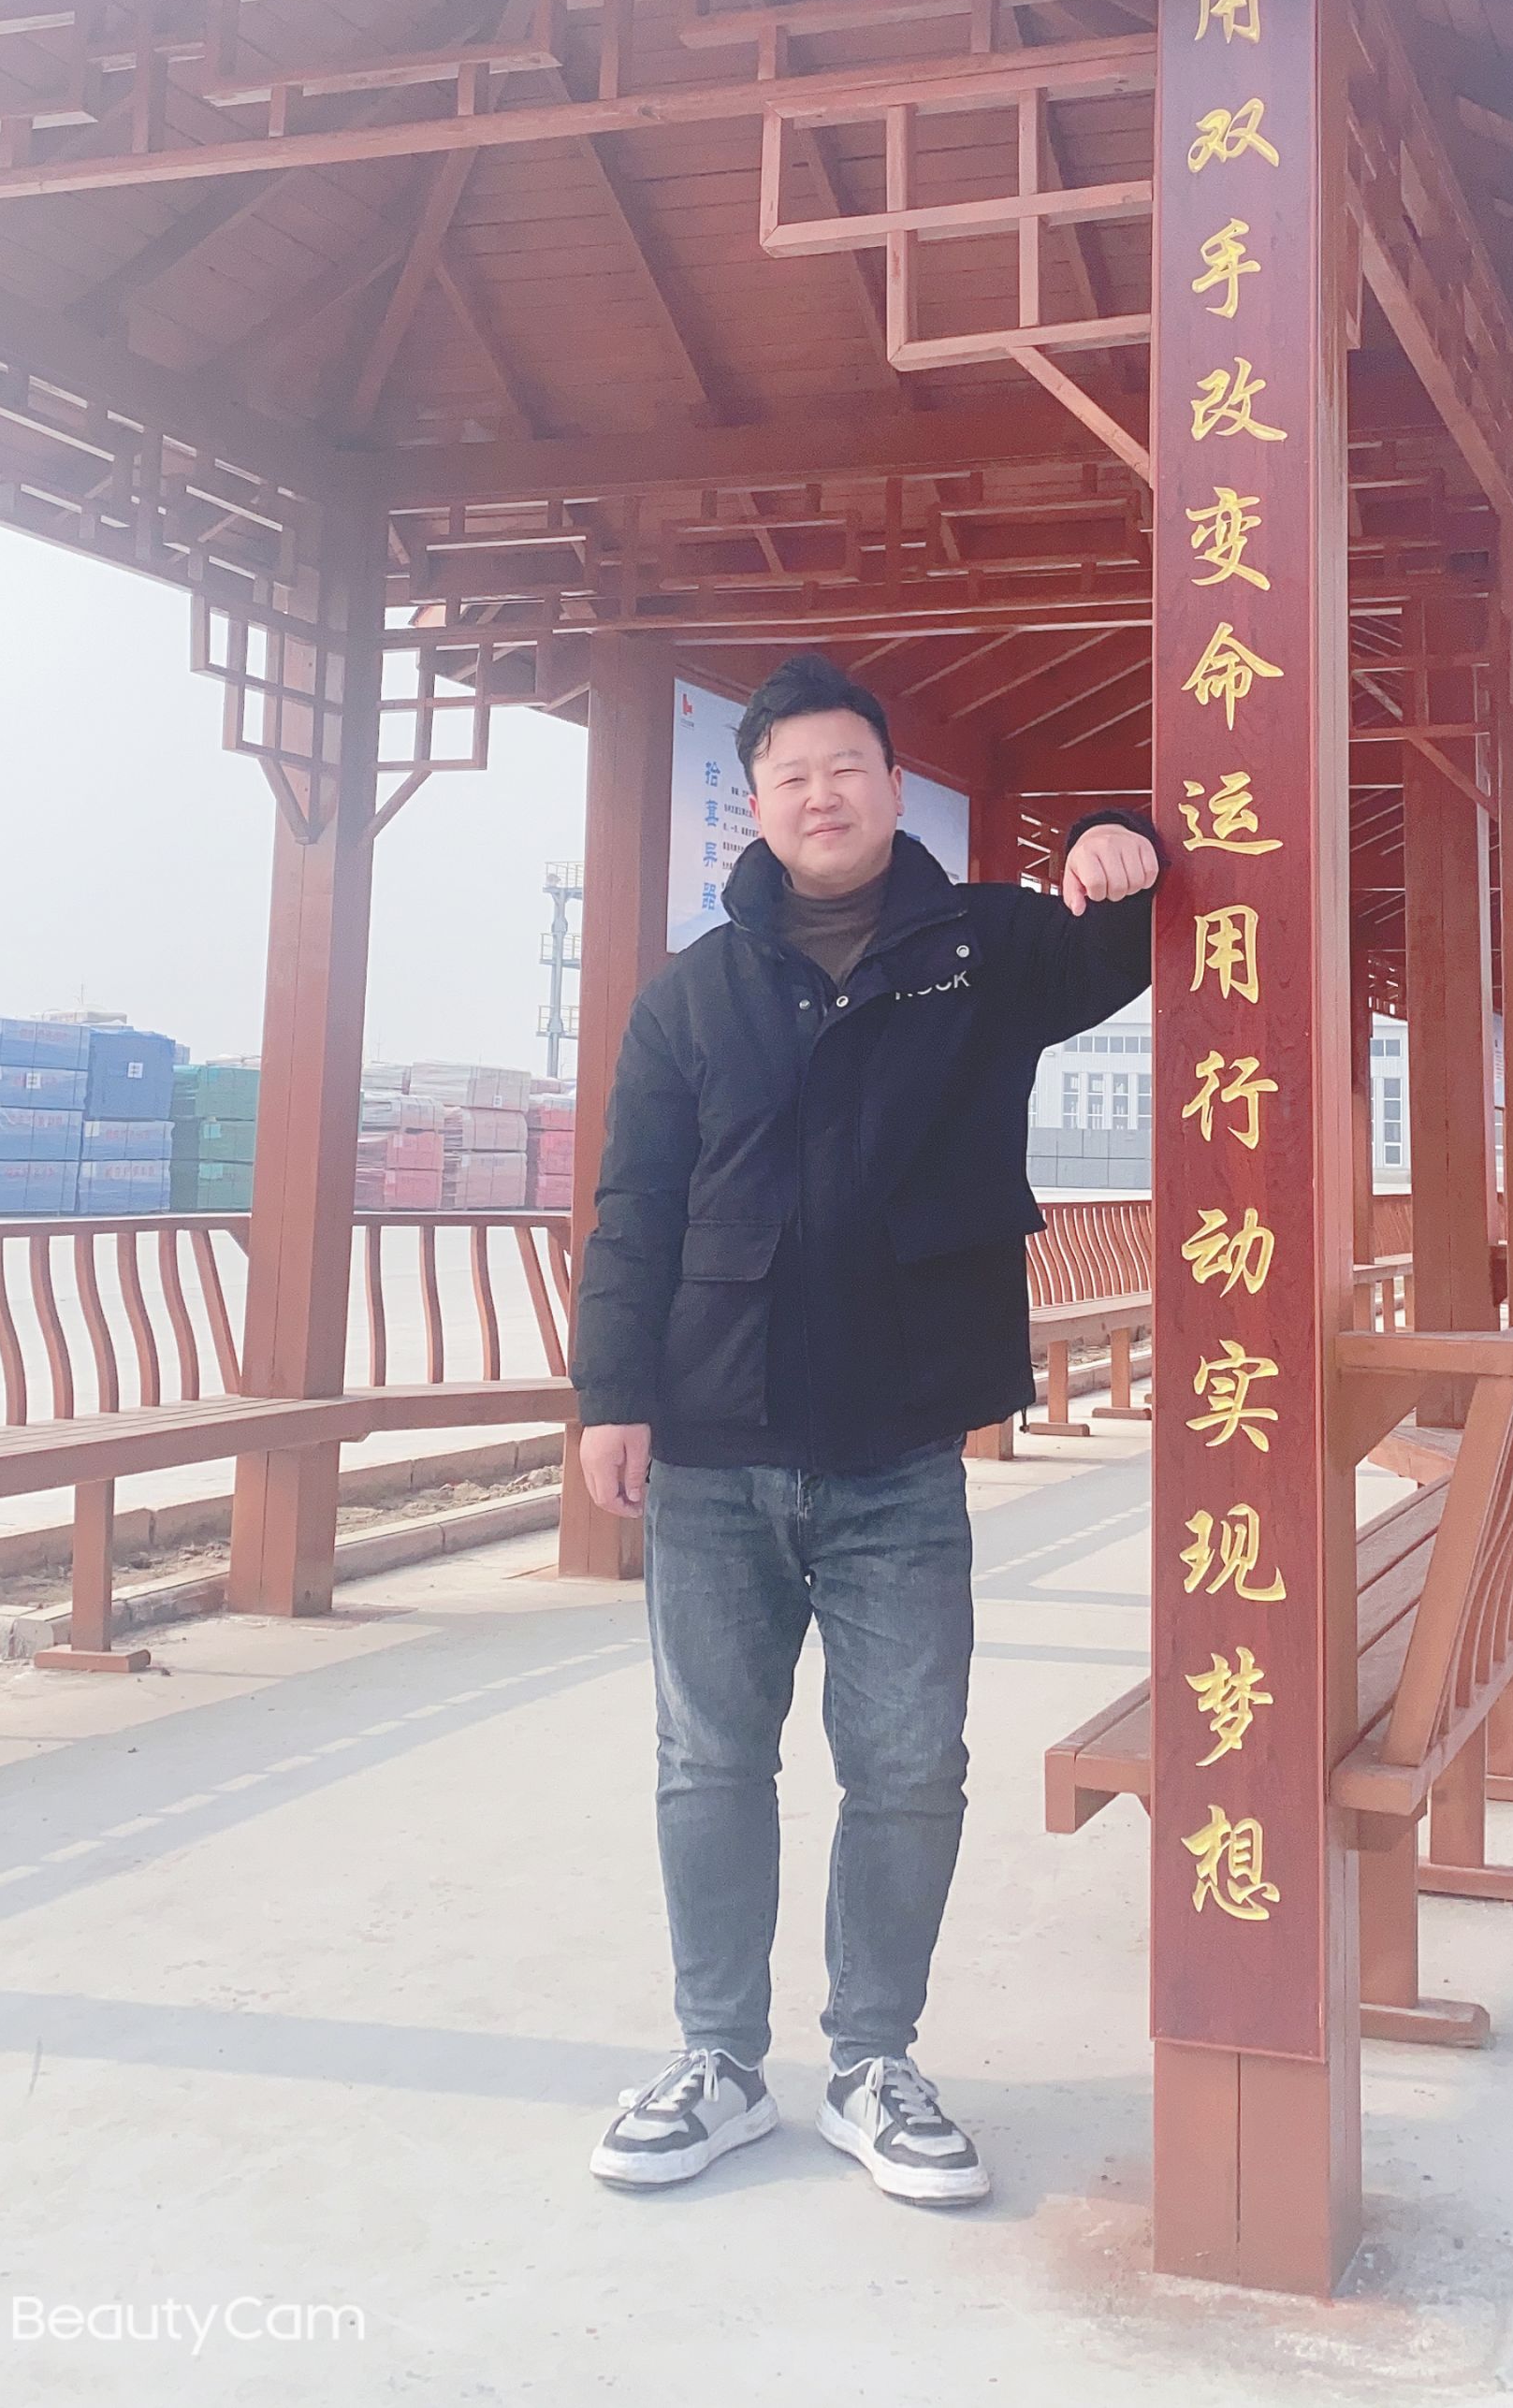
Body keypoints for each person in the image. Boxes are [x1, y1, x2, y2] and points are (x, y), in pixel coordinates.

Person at [572, 653, 1161, 2205]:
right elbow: (633, 1205)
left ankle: (872, 2061)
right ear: (754, 806)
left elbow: (1124, 938)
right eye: (791, 776)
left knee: (907, 1761)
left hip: (899, 1438)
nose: (821, 793)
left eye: (847, 766)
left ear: (899, 789)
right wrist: (609, 1394)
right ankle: (717, 2060)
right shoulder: (690, 994)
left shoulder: (988, 947)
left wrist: (1119, 837)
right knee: (709, 1757)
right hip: (712, 1437)